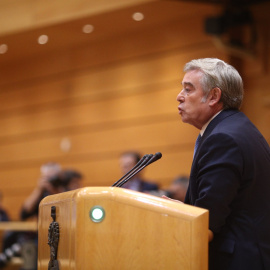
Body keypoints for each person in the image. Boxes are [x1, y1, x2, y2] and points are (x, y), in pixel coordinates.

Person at [175, 58, 270, 270]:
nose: (179, 97)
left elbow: (207, 223)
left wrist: (174, 214)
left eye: (188, 90)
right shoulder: (239, 128)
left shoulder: (223, 139)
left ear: (214, 96)